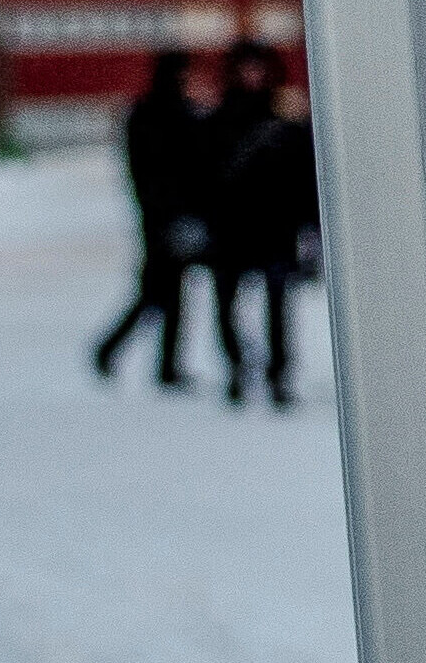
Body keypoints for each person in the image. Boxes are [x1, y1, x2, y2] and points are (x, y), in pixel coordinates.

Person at [196, 48, 316, 411]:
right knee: (226, 305)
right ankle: (238, 366)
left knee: (278, 305)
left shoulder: (285, 123)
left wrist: (308, 226)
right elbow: (200, 177)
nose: (254, 74)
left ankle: (278, 375)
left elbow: (304, 178)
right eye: (247, 68)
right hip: (230, 226)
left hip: (275, 226)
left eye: (259, 68)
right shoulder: (218, 121)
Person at [88, 47, 211, 387]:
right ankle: (119, 351)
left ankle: (155, 362)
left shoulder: (155, 112)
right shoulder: (163, 114)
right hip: (164, 218)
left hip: (162, 216)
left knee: (164, 293)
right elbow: (162, 172)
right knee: (159, 293)